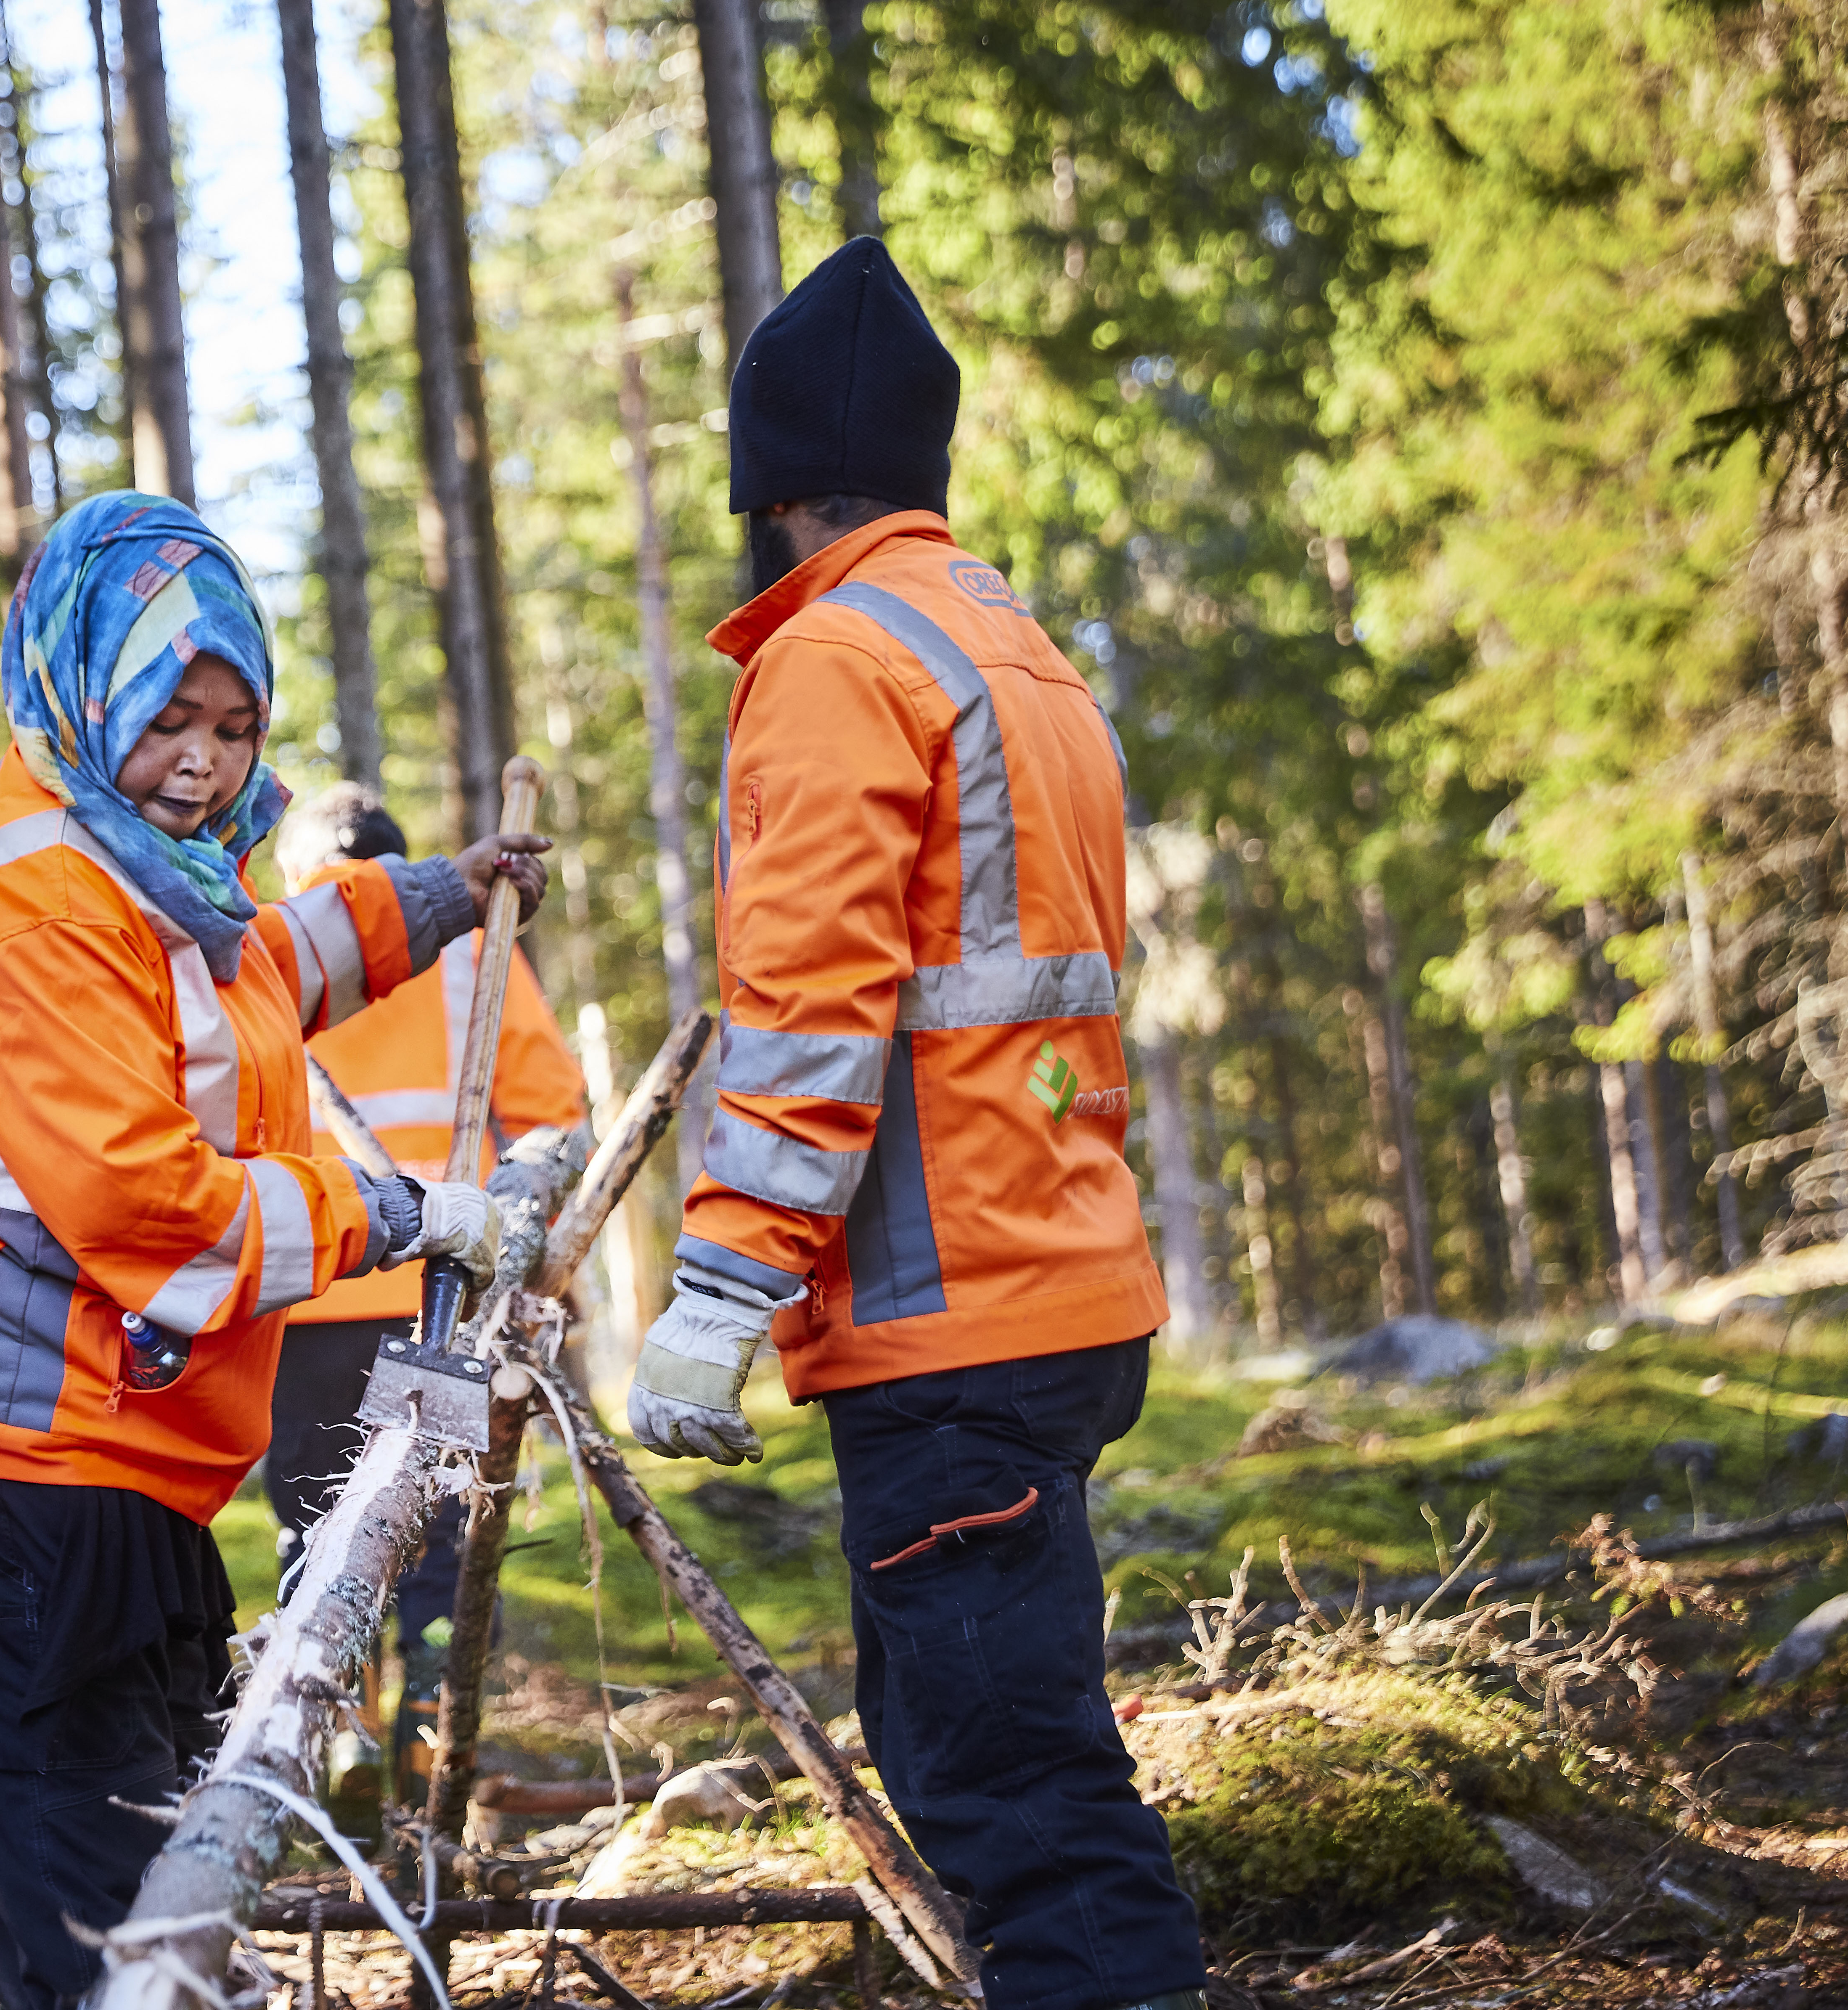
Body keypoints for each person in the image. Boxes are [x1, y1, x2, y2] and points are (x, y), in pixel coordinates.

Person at [0, 493, 548, 2010]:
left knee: (98, 1892)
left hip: (101, 1456)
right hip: (1, 1474)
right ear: (84, 691)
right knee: (105, 1913)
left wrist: (443, 896)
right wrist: (395, 1215)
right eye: (166, 719)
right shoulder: (37, 901)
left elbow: (259, 972)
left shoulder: (147, 861)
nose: (200, 759)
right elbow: (153, 1215)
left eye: (232, 722)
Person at [623, 238, 1207, 2010]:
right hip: (1059, 1295)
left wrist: (721, 1290)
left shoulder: (834, 662)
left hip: (951, 1333)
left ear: (772, 483)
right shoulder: (1019, 651)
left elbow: (815, 1012)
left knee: (1017, 1798)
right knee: (999, 1758)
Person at [261, 781, 588, 1766]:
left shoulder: (270, 946)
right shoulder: (471, 949)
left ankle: (327, 1731)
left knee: (312, 1518)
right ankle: (431, 1734)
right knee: (431, 1523)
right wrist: (534, 1250)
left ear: (297, 871)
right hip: (434, 1300)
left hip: (303, 1289)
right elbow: (551, 1114)